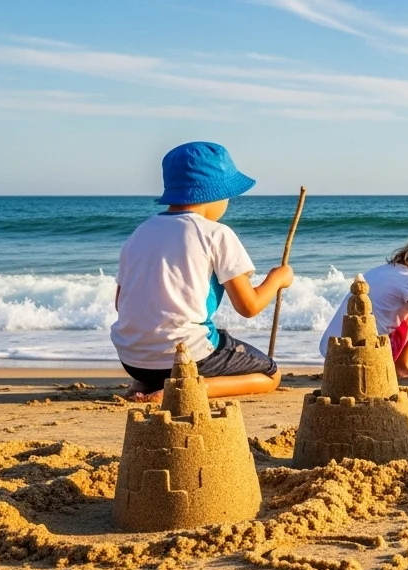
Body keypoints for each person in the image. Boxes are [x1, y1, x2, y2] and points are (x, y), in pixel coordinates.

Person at [110, 141, 293, 401]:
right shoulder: (216, 234)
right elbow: (248, 307)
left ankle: (148, 385)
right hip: (188, 358)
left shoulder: (139, 233)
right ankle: (191, 389)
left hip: (133, 359)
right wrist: (277, 279)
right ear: (214, 194)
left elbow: (121, 304)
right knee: (271, 375)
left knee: (216, 339)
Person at [319, 226, 408, 378]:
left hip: (334, 357)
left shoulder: (380, 272)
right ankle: (403, 367)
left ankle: (403, 364)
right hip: (366, 360)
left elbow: (377, 334)